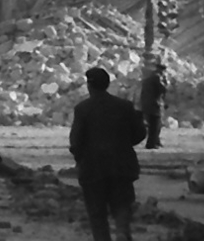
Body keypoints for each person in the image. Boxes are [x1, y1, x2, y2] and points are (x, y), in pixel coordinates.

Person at [69, 66, 147, 241]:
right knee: (122, 206)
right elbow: (140, 133)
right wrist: (125, 144)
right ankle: (121, 233)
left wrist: (80, 159)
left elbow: (75, 141)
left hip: (93, 169)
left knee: (97, 215)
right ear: (107, 84)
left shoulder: (83, 109)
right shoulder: (124, 106)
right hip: (122, 167)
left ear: (89, 86)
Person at [138, 56, 168, 150]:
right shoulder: (157, 78)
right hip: (154, 105)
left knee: (153, 125)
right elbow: (163, 89)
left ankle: (155, 141)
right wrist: (165, 81)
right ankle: (152, 143)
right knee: (155, 125)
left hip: (147, 104)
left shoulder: (149, 77)